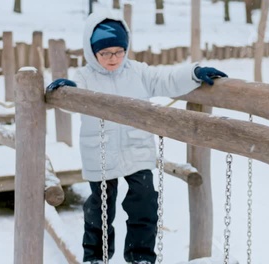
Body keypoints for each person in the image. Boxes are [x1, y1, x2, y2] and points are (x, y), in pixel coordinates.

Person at [46, 10, 227, 264]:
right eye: (105, 53)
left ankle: (140, 256)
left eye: (119, 51)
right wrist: (64, 91)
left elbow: (167, 79)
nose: (113, 58)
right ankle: (96, 256)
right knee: (99, 209)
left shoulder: (138, 72)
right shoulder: (85, 77)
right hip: (101, 152)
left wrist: (194, 74)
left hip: (136, 148)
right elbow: (71, 102)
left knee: (144, 204)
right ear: (92, 51)